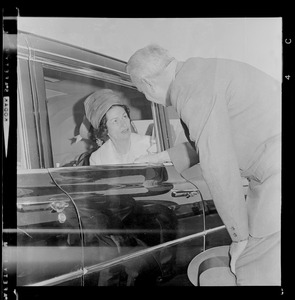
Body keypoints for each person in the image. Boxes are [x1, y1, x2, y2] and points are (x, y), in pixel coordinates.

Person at [126, 45, 281, 286]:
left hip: (275, 176)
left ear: (147, 84)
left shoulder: (190, 89)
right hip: (272, 170)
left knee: (251, 266)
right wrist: (163, 156)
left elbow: (218, 164)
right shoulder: (198, 72)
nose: (147, 98)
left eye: (140, 91)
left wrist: (239, 238)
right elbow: (216, 137)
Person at [83, 89, 156, 165]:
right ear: (105, 129)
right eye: (115, 121)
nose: (123, 124)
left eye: (124, 116)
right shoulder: (97, 158)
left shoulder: (150, 145)